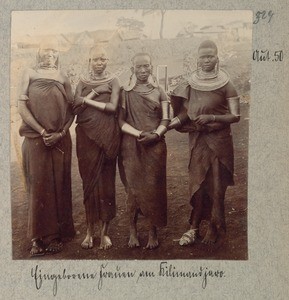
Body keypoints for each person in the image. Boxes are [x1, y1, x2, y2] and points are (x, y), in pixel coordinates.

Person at [169, 40, 240, 246]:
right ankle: (193, 228)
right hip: (198, 141)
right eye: (203, 56)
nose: (206, 60)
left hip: (219, 142)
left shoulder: (226, 83)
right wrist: (169, 125)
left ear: (217, 57)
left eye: (210, 56)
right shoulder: (190, 84)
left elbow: (235, 115)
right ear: (197, 58)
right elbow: (184, 114)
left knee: (216, 186)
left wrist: (212, 118)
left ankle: (215, 226)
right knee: (198, 184)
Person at [18, 38, 75, 257]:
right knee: (39, 186)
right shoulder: (29, 73)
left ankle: (54, 236)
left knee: (58, 185)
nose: (49, 54)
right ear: (39, 53)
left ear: (58, 54)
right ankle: (37, 238)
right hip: (35, 139)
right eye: (45, 50)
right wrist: (42, 132)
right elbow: (21, 106)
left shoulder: (63, 77)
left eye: (53, 50)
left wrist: (60, 133)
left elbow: (73, 110)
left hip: (60, 140)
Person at [118, 53, 169, 249]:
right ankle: (132, 231)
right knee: (132, 189)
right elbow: (120, 121)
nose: (142, 70)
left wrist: (155, 135)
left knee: (153, 188)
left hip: (155, 146)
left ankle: (152, 231)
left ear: (151, 66)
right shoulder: (125, 92)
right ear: (132, 69)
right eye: (138, 67)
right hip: (131, 145)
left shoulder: (160, 91)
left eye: (146, 66)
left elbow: (166, 119)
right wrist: (140, 134)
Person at [73, 45, 120, 250]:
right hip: (86, 138)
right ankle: (89, 231)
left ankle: (105, 233)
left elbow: (112, 108)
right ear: (89, 61)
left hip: (108, 137)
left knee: (107, 185)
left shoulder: (114, 81)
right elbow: (75, 107)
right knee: (89, 184)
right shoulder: (82, 82)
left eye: (103, 59)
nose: (100, 63)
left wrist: (85, 100)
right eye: (96, 59)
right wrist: (93, 92)